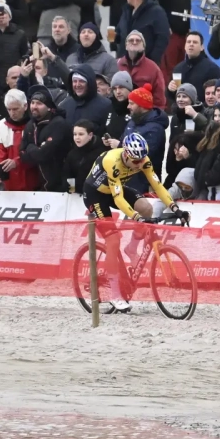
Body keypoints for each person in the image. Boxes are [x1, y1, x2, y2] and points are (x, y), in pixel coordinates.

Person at [82, 132, 188, 312]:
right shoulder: (112, 161)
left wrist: (175, 207)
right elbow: (118, 199)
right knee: (113, 240)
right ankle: (115, 295)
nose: (140, 164)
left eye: (141, 161)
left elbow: (157, 186)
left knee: (146, 208)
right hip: (95, 194)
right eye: (135, 162)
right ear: (125, 154)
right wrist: (135, 216)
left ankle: (131, 248)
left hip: (115, 189)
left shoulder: (143, 160)